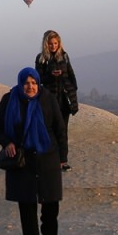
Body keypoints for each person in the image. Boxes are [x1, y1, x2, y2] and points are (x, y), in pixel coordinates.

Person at [0, 67, 67, 235]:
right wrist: (7, 142)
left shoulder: (47, 98)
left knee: (50, 201)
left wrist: (63, 158)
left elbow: (60, 128)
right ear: (20, 83)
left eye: (33, 83)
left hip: (48, 156)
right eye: (26, 83)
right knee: (26, 203)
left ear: (38, 83)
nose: (30, 87)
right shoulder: (9, 100)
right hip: (22, 159)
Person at [35, 30, 78, 171]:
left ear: (59, 43)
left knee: (62, 130)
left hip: (64, 100)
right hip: (49, 101)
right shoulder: (41, 59)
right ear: (46, 44)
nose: (53, 46)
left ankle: (62, 161)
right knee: (48, 130)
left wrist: (72, 91)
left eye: (55, 43)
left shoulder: (64, 57)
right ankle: (48, 160)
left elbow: (71, 75)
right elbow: (38, 79)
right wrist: (51, 76)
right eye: (50, 43)